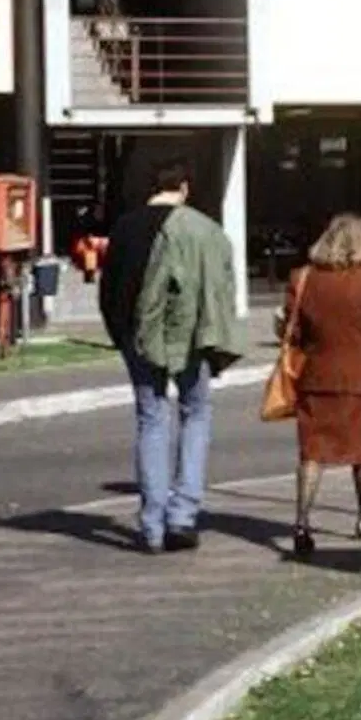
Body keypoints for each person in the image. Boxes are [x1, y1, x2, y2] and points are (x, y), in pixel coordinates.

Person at [100, 160, 245, 554]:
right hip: (194, 336)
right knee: (196, 414)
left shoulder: (126, 227)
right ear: (184, 188)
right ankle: (183, 514)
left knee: (151, 418)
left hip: (138, 338)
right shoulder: (205, 230)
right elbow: (223, 286)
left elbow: (109, 288)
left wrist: (122, 336)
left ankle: (151, 524)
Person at [284, 213, 361, 558]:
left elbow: (293, 333)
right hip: (359, 380)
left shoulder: (303, 278)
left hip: (314, 379)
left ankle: (301, 523)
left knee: (312, 452)